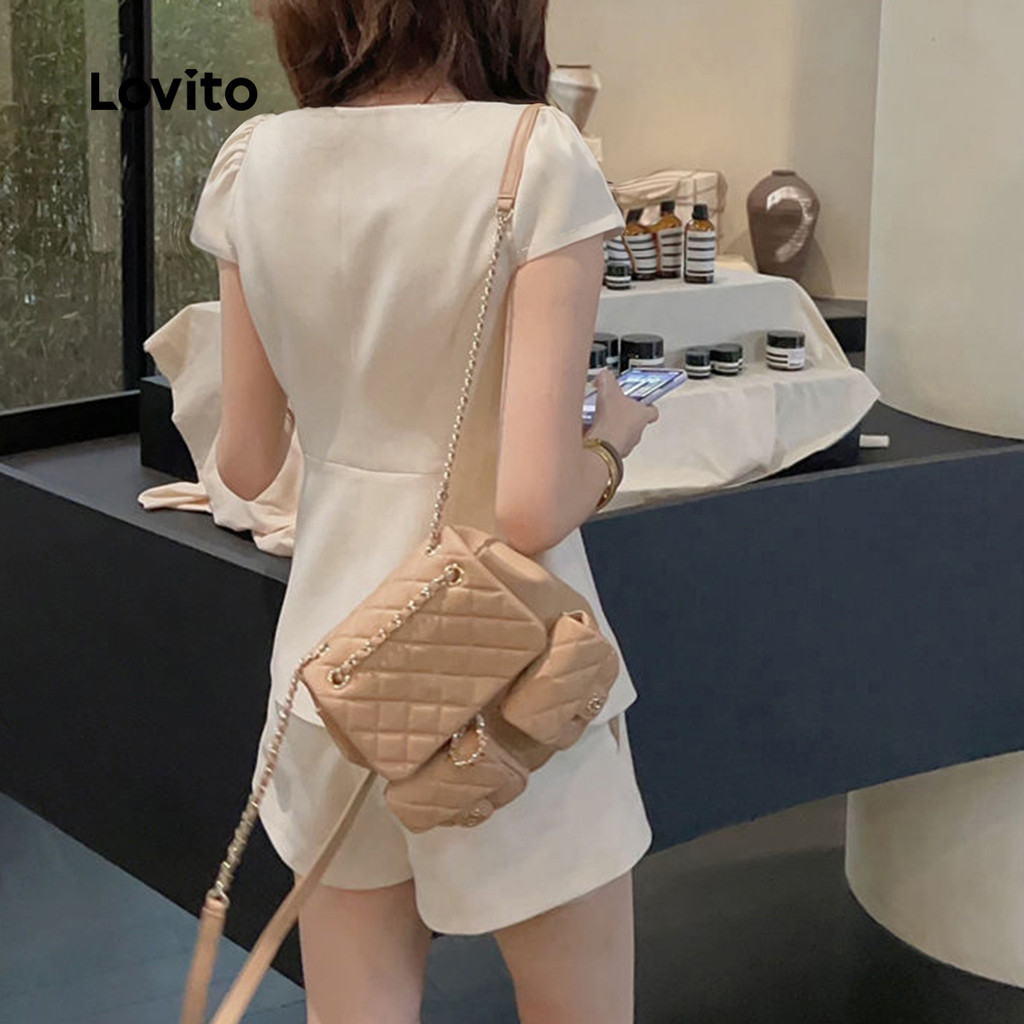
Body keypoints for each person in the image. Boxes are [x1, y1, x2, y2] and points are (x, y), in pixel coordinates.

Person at [189, 2, 660, 1021]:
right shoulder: (536, 155)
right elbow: (529, 506)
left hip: (337, 673)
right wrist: (613, 440)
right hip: (507, 668)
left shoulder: (252, 163)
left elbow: (247, 463)